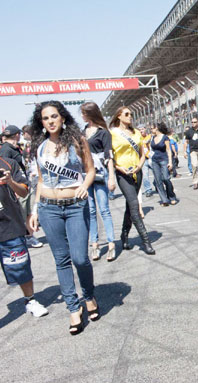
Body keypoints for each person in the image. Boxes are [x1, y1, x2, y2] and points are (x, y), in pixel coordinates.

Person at [28, 100, 98, 335]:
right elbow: (40, 180)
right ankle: (73, 308)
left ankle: (89, 295)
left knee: (80, 258)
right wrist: (36, 209)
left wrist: (85, 185)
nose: (50, 121)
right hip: (49, 208)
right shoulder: (39, 146)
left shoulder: (78, 141)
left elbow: (90, 170)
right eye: (46, 118)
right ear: (42, 122)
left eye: (54, 116)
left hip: (76, 206)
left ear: (63, 118)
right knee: (61, 260)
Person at [0, 154, 49, 318]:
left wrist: (10, 182)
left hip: (9, 225)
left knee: (21, 268)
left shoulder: (8, 163)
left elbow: (24, 191)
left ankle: (30, 300)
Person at [110, 107, 155, 255]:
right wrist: (119, 168)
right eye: (127, 114)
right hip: (123, 174)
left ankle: (124, 235)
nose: (130, 117)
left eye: (131, 114)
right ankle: (146, 241)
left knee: (130, 207)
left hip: (137, 172)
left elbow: (143, 153)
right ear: (119, 116)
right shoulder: (112, 133)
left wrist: (140, 166)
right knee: (135, 205)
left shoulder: (136, 133)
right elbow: (109, 157)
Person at [80, 102, 117, 262]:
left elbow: (109, 156)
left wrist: (111, 176)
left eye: (83, 113)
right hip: (86, 175)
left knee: (104, 210)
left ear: (90, 114)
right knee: (91, 211)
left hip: (101, 174)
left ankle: (111, 244)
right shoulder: (83, 132)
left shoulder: (103, 133)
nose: (81, 116)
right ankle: (94, 244)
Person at [1, 125, 43, 249]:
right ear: (17, 135)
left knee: (27, 211)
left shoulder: (14, 148)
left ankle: (28, 235)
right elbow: (6, 170)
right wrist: (13, 185)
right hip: (13, 186)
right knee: (23, 212)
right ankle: (28, 236)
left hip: (21, 183)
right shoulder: (6, 150)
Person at [150, 123, 177, 206]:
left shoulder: (165, 137)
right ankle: (164, 200)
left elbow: (168, 150)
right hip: (155, 161)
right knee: (158, 181)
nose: (151, 130)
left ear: (157, 128)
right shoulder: (152, 138)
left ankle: (171, 196)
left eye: (152, 128)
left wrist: (170, 162)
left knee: (166, 178)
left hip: (164, 160)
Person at [184, 117, 198, 189]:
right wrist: (184, 151)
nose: (193, 123)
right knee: (194, 165)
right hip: (193, 150)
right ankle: (195, 182)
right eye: (192, 122)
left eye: (195, 122)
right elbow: (186, 142)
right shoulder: (189, 132)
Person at [139, 126, 154, 197]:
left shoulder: (150, 136)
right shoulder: (138, 138)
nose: (141, 131)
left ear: (145, 129)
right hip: (143, 159)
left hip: (151, 158)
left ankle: (156, 184)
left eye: (142, 129)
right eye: (139, 130)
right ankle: (148, 189)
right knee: (145, 176)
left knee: (157, 174)